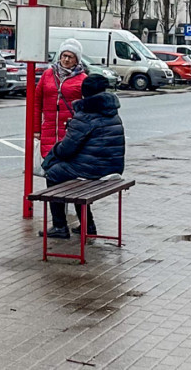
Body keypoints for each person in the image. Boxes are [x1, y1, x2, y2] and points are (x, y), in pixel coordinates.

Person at [40, 74, 126, 239]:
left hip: (94, 169)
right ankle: (88, 226)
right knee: (74, 179)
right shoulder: (112, 112)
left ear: (84, 92)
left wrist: (55, 151)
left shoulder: (86, 115)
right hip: (112, 167)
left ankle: (59, 226)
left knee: (53, 173)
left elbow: (66, 149)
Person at [34, 38, 87, 159]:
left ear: (77, 60)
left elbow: (86, 108)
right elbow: (37, 103)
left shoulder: (83, 79)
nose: (66, 59)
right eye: (64, 55)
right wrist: (36, 129)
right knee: (49, 164)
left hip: (71, 130)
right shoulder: (48, 74)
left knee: (67, 165)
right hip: (48, 129)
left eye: (71, 56)